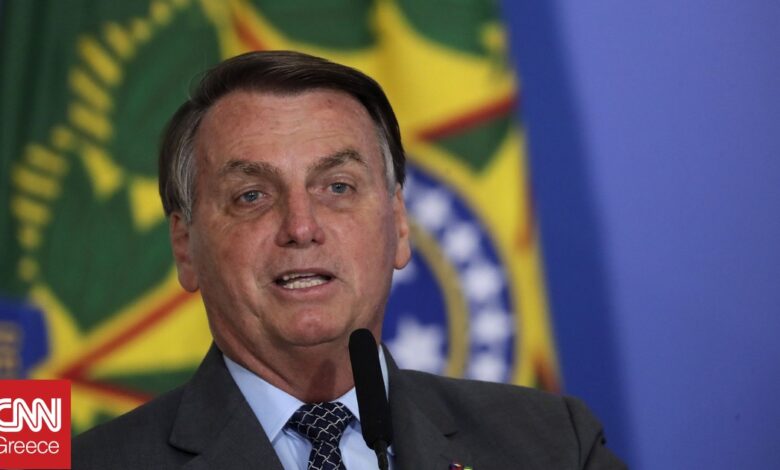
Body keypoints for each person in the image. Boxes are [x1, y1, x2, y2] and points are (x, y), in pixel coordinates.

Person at [73, 50, 626, 469]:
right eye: (251, 196)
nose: (301, 227)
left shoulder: (553, 445)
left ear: (400, 224)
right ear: (184, 247)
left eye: (337, 186)